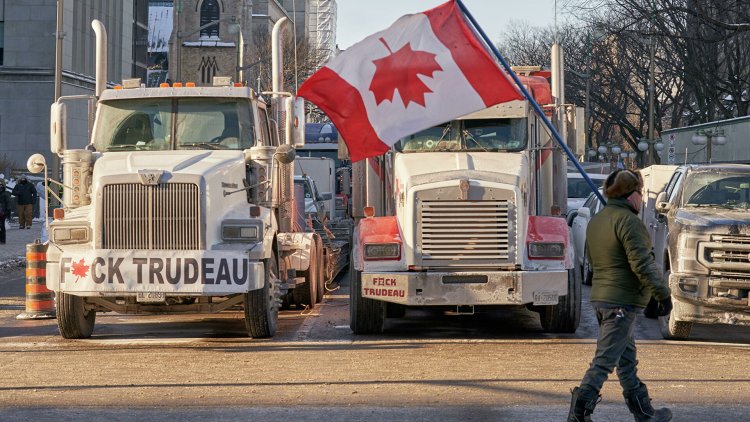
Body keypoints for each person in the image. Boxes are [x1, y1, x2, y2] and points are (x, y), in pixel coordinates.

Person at [568, 169, 673, 422]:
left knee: (626, 362)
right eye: (640, 192)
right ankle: (579, 412)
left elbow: (592, 261)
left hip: (602, 298)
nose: (642, 198)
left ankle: (644, 413)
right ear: (630, 195)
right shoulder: (629, 222)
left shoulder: (598, 220)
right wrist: (662, 294)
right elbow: (643, 264)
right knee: (604, 361)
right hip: (621, 303)